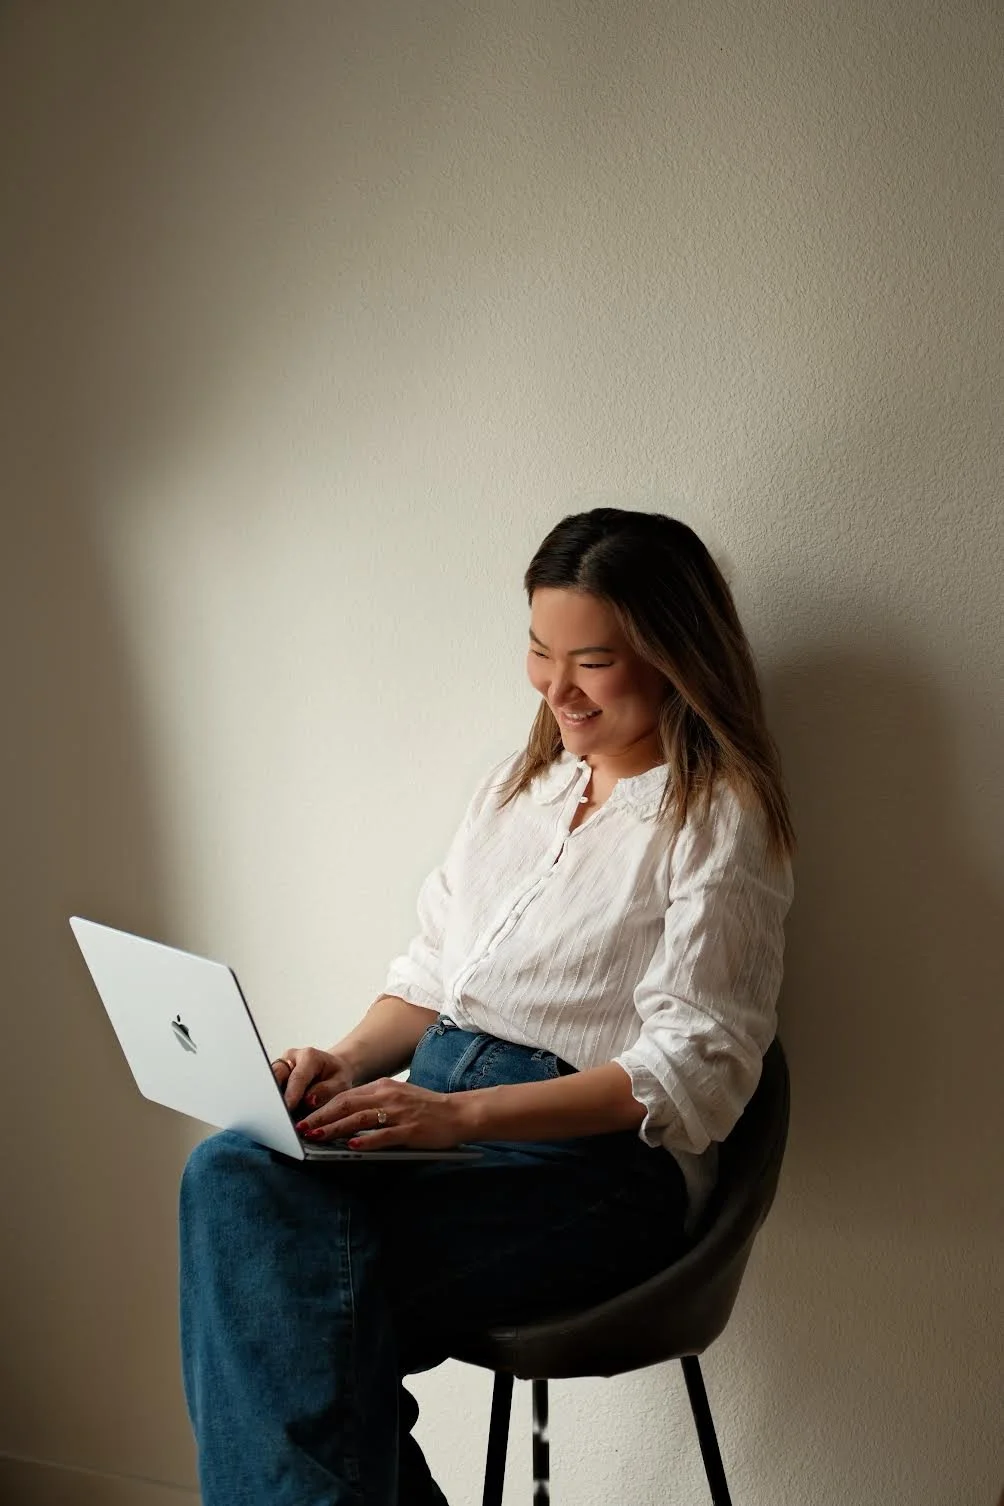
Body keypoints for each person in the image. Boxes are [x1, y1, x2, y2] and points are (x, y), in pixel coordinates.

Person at [179, 507, 795, 1506]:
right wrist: (345, 1064)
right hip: (440, 1138)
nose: (555, 688)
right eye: (537, 649)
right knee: (235, 1174)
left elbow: (698, 1070)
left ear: (674, 657)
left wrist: (457, 1114)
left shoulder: (716, 815)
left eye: (590, 660)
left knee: (278, 1272)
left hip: (587, 1172)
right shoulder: (517, 790)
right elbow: (430, 975)